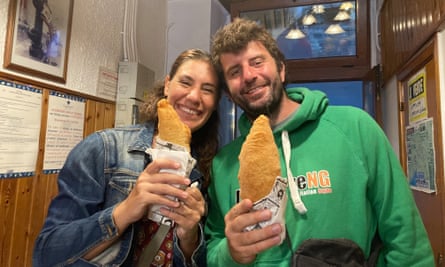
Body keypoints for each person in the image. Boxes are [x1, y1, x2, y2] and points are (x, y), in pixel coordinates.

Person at [204, 18, 435, 266]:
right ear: (228, 92)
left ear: (281, 69)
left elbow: (407, 243)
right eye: (234, 72)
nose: (248, 75)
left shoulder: (356, 127)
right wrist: (230, 252)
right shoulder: (224, 164)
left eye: (257, 62)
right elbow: (214, 248)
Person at [33, 48, 222, 267]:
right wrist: (126, 210)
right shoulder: (102, 149)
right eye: (186, 82)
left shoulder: (206, 171)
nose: (194, 97)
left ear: (215, 103)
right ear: (168, 85)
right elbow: (46, 254)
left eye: (207, 90)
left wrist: (190, 237)